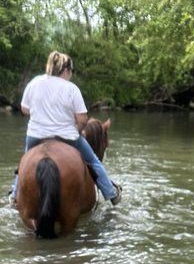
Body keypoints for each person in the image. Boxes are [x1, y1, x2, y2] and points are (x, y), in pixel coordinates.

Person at [9, 51, 121, 205]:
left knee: (24, 161)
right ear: (66, 70)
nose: (71, 75)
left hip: (36, 135)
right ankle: (111, 193)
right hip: (66, 136)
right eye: (72, 72)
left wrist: (39, 113)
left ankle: (14, 194)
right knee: (94, 161)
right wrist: (78, 128)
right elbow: (82, 119)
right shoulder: (71, 88)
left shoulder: (34, 82)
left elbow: (24, 109)